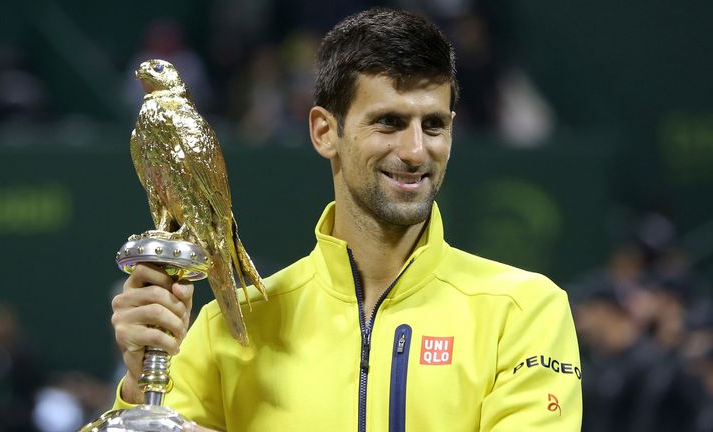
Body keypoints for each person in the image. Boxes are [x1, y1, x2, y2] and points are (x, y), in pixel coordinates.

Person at [109, 8, 582, 431]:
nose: (416, 151)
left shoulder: (522, 311)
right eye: (389, 123)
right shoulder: (230, 328)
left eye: (433, 125)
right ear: (324, 132)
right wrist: (137, 387)